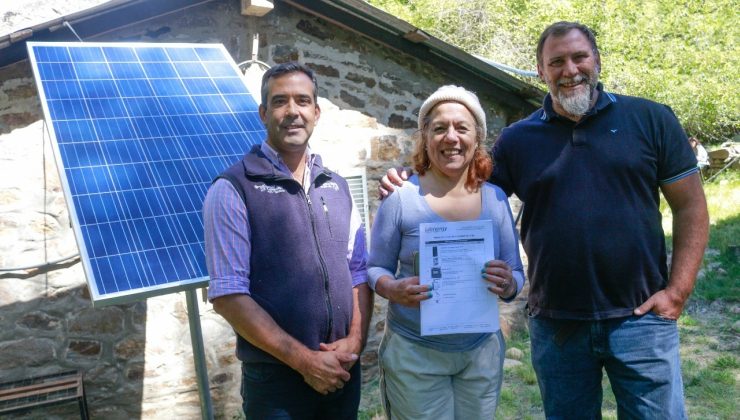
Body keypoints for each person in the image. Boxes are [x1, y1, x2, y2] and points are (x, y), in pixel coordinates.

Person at [380, 22, 709, 419]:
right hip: (557, 326)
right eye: (556, 62)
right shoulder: (518, 140)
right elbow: (462, 187)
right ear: (541, 71)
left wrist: (678, 291)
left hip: (640, 320)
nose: (569, 69)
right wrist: (408, 178)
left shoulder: (651, 120)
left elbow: (691, 206)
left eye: (579, 57)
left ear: (597, 61)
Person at [204, 62, 373, 419]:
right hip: (277, 383)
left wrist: (355, 340)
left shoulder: (337, 186)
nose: (292, 111)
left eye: (302, 101)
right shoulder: (233, 189)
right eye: (280, 101)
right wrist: (306, 362)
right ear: (263, 113)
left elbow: (358, 272)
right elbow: (229, 295)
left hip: (343, 371)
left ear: (316, 111)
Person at [368, 85, 525, 419]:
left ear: (477, 137)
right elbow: (375, 268)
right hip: (415, 354)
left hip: (480, 353)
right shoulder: (400, 199)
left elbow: (515, 273)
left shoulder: (495, 199)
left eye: (461, 128)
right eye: (439, 128)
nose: (451, 137)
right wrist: (391, 288)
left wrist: (508, 284)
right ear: (425, 137)